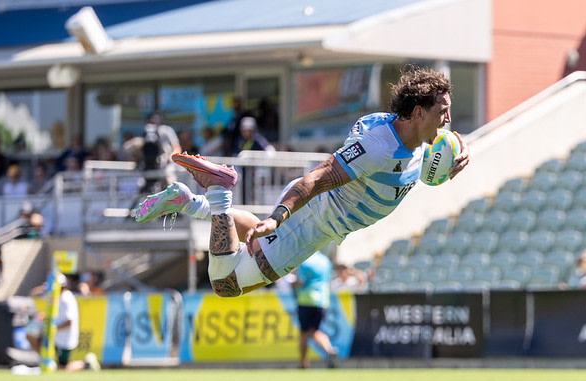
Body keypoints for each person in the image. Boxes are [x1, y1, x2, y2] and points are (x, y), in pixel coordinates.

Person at [135, 66, 469, 298]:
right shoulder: (377, 147)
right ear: (417, 113)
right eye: (443, 111)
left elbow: (417, 163)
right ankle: (219, 191)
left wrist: (451, 160)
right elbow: (317, 178)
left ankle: (186, 201)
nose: (448, 119)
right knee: (225, 283)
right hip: (311, 223)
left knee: (251, 232)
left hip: (320, 223)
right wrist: (279, 217)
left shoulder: (411, 137)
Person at [292, 251, 337, 369]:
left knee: (304, 332)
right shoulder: (325, 261)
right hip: (322, 300)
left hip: (306, 300)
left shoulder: (305, 261)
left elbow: (300, 282)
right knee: (315, 330)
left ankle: (304, 363)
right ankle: (329, 350)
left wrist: (291, 283)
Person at [140, 111, 181, 194]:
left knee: (171, 187)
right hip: (149, 167)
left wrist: (171, 157)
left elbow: (177, 147)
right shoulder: (146, 131)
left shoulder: (167, 130)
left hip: (165, 165)